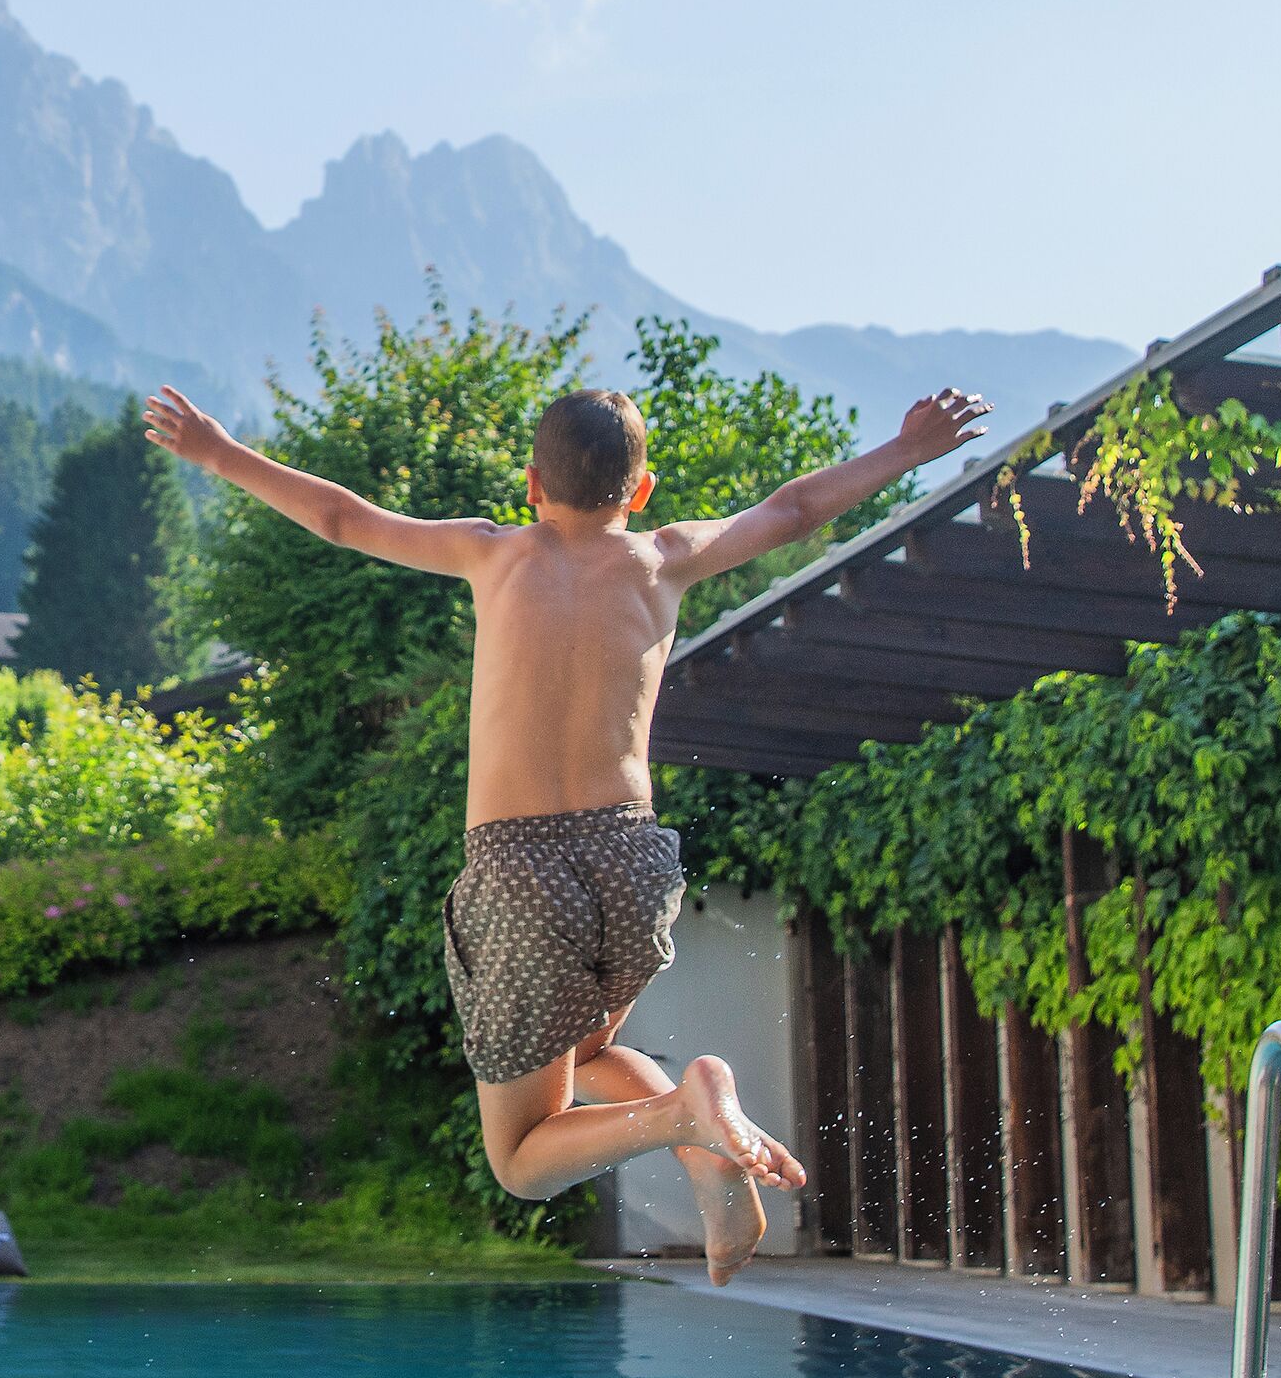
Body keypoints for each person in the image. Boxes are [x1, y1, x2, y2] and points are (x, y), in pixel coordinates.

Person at [143, 377, 988, 1281]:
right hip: (632, 855)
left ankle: (688, 1114)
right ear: (642, 489)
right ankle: (705, 1153)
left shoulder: (494, 552)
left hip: (520, 866)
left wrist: (218, 453)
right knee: (589, 1054)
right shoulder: (665, 557)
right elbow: (794, 509)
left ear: (532, 486)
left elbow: (343, 518)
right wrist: (909, 449)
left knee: (520, 1162)